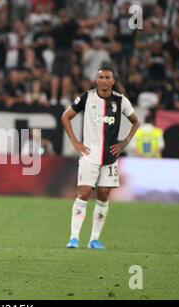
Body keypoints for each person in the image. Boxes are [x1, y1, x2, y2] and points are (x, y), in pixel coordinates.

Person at [61, 66, 140, 250]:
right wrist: (75, 142)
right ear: (97, 80)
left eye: (108, 77)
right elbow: (66, 116)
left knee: (104, 196)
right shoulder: (87, 97)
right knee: (84, 193)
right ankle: (73, 238)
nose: (104, 80)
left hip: (110, 157)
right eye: (101, 77)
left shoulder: (121, 101)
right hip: (89, 154)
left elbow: (136, 121)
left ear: (113, 81)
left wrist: (124, 143)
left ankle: (94, 239)